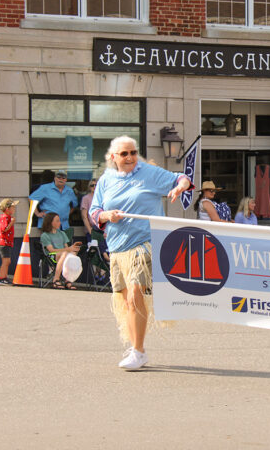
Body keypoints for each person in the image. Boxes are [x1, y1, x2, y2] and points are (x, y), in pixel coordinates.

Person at [88, 135, 192, 370]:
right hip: (117, 246)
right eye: (124, 154)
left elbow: (181, 178)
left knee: (136, 293)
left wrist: (181, 186)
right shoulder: (106, 180)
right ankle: (137, 348)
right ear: (113, 157)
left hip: (146, 241)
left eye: (133, 152)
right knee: (126, 300)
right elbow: (94, 212)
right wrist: (107, 216)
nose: (130, 158)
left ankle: (138, 350)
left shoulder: (148, 173)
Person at [40, 212, 81, 290]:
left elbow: (66, 247)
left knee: (72, 254)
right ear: (50, 222)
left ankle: (68, 279)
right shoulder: (45, 235)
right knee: (66, 253)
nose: (60, 223)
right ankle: (56, 279)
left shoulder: (62, 233)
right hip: (51, 256)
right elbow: (51, 250)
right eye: (57, 221)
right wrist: (68, 250)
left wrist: (73, 249)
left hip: (63, 255)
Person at [0, 198, 18, 286]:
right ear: (7, 209)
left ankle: (4, 277)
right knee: (6, 261)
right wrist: (11, 223)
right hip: (4, 243)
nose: (14, 209)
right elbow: (4, 229)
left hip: (7, 242)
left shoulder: (8, 217)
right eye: (13, 207)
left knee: (7, 261)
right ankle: (2, 278)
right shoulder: (5, 218)